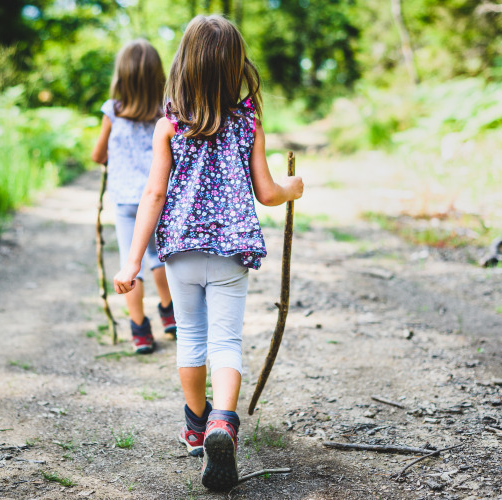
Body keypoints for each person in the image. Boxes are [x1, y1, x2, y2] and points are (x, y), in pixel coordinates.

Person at [113, 15, 304, 491]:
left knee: (191, 338)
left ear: (185, 65)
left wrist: (133, 261)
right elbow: (266, 192)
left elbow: (153, 197)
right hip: (230, 250)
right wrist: (291, 188)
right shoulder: (248, 124)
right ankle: (224, 421)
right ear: (235, 67)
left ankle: (196, 427)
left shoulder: (170, 126)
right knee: (226, 341)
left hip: (177, 250)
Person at [91, 39, 176, 355]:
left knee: (132, 263)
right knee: (158, 257)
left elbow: (98, 154)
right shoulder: (165, 112)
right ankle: (169, 313)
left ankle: (140, 330)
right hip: (158, 197)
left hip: (126, 201)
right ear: (158, 76)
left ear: (121, 76)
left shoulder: (112, 111)